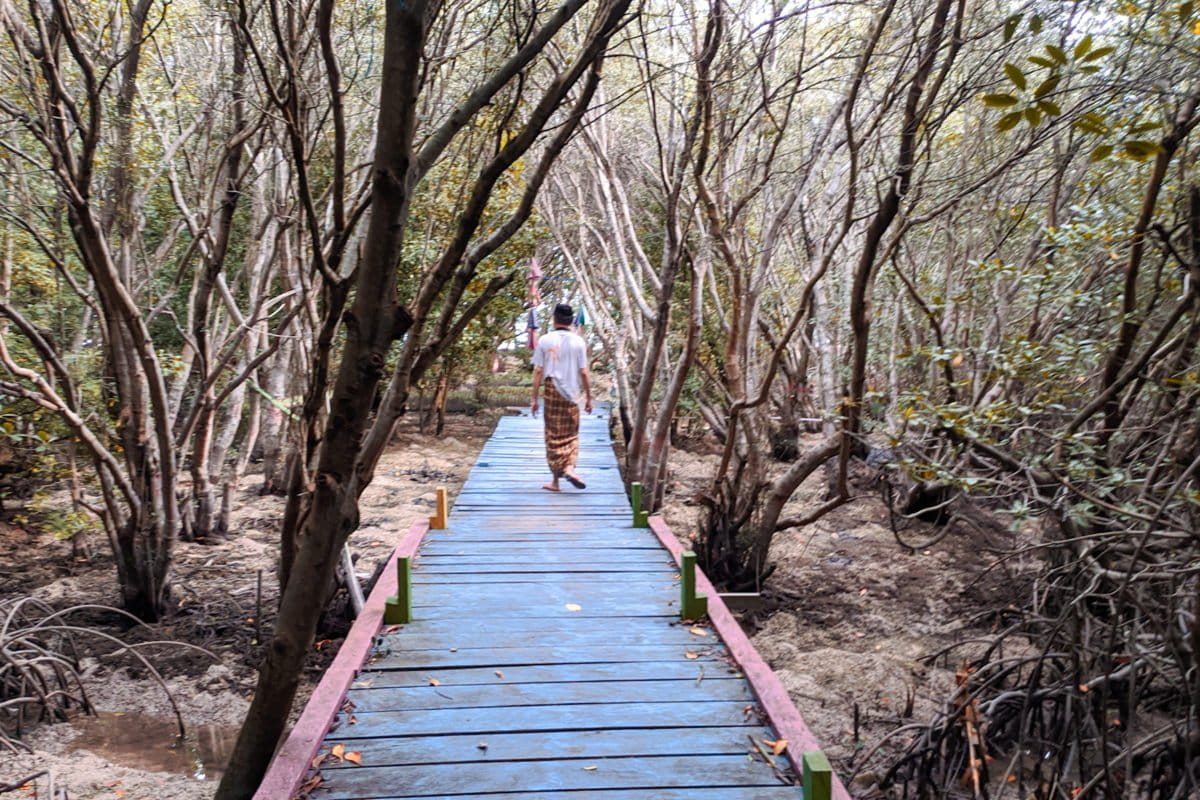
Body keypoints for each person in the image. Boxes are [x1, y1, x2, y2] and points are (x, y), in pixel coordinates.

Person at [531, 303, 592, 492]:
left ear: (554, 318)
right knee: (571, 433)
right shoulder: (579, 342)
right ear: (571, 320)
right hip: (572, 394)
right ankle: (570, 467)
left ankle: (556, 482)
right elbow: (583, 371)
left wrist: (534, 398)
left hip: (552, 390)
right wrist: (589, 397)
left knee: (553, 434)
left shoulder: (545, 340)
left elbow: (538, 370)